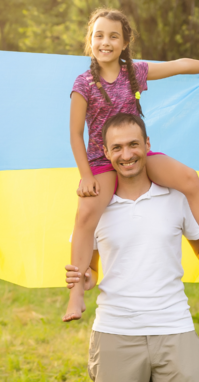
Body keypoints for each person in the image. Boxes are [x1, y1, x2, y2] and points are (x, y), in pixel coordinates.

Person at [65, 8, 199, 321]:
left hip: (135, 154)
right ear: (90, 41)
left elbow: (178, 65)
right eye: (99, 35)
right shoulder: (84, 83)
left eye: (113, 36)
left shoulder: (134, 72)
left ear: (125, 43)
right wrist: (86, 175)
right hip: (101, 161)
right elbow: (74, 133)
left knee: (191, 180)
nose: (105, 42)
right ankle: (74, 296)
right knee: (85, 217)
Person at [65, 113, 199, 381]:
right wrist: (86, 278)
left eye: (133, 144)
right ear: (105, 152)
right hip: (115, 330)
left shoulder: (177, 196)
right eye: (117, 147)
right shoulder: (95, 207)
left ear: (147, 145)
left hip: (174, 328)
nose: (126, 154)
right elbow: (91, 268)